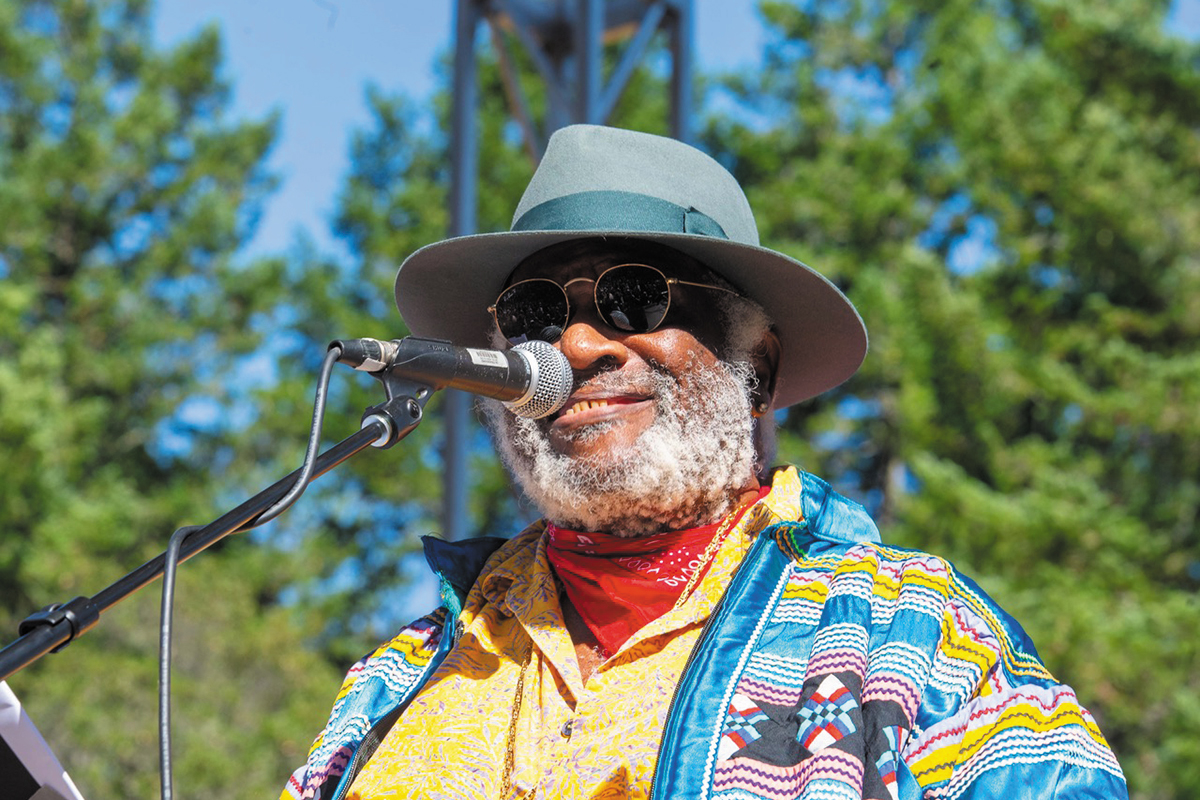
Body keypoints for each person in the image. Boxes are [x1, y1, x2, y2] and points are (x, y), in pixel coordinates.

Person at [283, 125, 1127, 800]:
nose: (577, 345)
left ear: (753, 368)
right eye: (536, 313)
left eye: (634, 298)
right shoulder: (404, 674)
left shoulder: (907, 634)